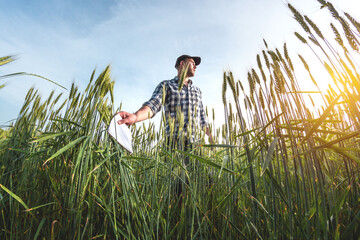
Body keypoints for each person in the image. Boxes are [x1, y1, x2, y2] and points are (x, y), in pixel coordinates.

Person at [117, 55, 214, 155]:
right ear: (182, 63)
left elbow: (203, 119)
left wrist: (212, 141)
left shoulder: (197, 91)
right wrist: (135, 116)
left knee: (197, 171)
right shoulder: (166, 85)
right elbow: (153, 105)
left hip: (196, 146)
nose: (195, 66)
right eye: (192, 63)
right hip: (173, 145)